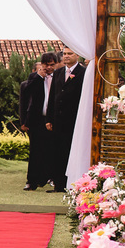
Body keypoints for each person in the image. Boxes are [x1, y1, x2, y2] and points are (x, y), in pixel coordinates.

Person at [19, 53, 59, 191]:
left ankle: (51, 178)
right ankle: (31, 181)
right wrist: (39, 77)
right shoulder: (34, 78)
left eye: (51, 65)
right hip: (37, 120)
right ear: (41, 64)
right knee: (35, 150)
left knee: (53, 149)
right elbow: (27, 94)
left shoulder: (59, 77)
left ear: (56, 64)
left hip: (53, 119)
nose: (48, 68)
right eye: (46, 65)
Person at [49, 48, 85, 193]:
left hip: (74, 120)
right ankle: (58, 185)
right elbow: (52, 97)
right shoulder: (58, 73)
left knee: (71, 151)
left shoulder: (84, 73)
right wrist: (49, 118)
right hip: (58, 120)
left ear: (77, 55)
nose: (67, 56)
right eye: (65, 54)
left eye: (70, 54)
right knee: (57, 152)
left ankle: (73, 184)